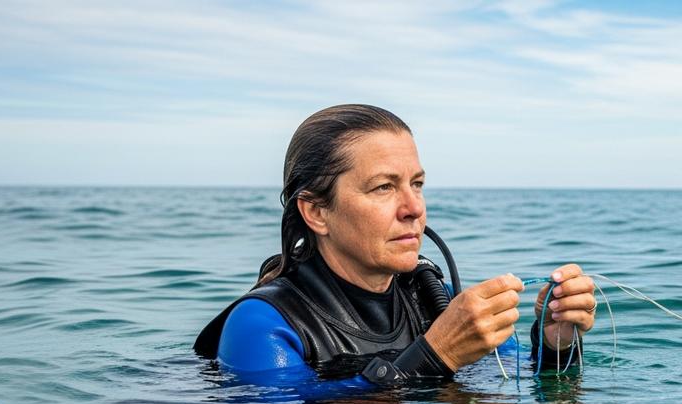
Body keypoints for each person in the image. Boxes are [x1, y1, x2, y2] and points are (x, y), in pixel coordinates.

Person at [194, 104, 596, 386]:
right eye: (383, 187)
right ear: (316, 212)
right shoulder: (262, 326)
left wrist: (555, 342)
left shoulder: (438, 300)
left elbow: (519, 377)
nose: (414, 208)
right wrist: (437, 355)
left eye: (416, 184)